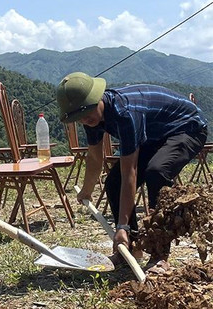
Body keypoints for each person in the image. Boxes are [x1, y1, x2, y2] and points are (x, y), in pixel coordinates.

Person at [59, 73, 208, 253]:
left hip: (188, 127)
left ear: (97, 99)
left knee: (157, 172)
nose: (84, 119)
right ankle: (131, 247)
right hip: (155, 134)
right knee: (114, 183)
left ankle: (159, 254)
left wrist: (122, 225)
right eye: (78, 117)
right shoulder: (90, 117)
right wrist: (87, 190)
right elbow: (95, 158)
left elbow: (130, 171)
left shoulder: (125, 113)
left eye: (86, 113)